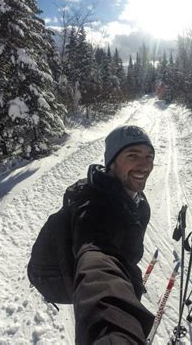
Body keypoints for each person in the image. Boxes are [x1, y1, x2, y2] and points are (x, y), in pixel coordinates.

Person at [71, 125, 156, 344]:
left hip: (127, 275)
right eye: (133, 155)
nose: (145, 164)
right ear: (111, 163)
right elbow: (96, 260)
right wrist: (115, 331)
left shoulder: (138, 202)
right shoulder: (93, 206)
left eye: (149, 156)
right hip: (114, 290)